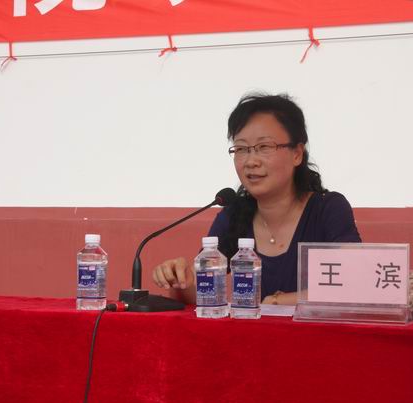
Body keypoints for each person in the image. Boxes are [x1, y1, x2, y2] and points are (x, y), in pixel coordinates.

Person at [152, 93, 361, 305]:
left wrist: (280, 302)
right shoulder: (234, 214)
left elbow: (357, 282)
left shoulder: (328, 209)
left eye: (264, 147)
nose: (251, 161)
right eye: (241, 149)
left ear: (297, 153)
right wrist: (182, 281)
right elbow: (205, 293)